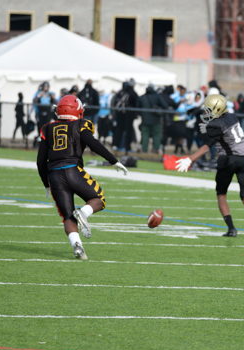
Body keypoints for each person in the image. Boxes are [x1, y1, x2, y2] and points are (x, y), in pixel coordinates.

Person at [36, 94, 128, 260]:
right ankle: (84, 213)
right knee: (98, 199)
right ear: (78, 110)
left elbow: (40, 161)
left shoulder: (47, 128)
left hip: (54, 175)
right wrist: (113, 160)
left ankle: (77, 246)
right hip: (73, 170)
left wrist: (46, 184)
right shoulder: (81, 124)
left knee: (67, 216)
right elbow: (93, 144)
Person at [175, 93, 244, 239]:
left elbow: (207, 146)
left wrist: (190, 159)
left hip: (229, 159)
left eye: (209, 109)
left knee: (221, 194)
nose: (207, 112)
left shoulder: (215, 125)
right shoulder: (232, 116)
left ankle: (231, 229)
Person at [137, 84, 170, 153]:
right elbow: (165, 106)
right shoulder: (157, 97)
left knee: (145, 135)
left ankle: (144, 150)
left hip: (145, 120)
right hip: (156, 119)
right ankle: (156, 149)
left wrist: (142, 114)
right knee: (156, 135)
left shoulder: (142, 97)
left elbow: (137, 108)